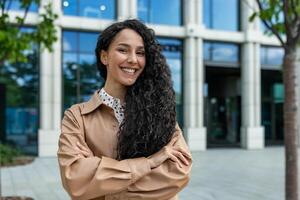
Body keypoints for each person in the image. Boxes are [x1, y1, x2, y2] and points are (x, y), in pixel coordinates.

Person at [57, 19, 192, 200]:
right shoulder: (76, 117)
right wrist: (150, 163)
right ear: (104, 56)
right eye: (123, 50)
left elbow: (177, 174)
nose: (133, 60)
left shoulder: (159, 109)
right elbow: (75, 179)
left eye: (140, 52)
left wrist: (102, 186)